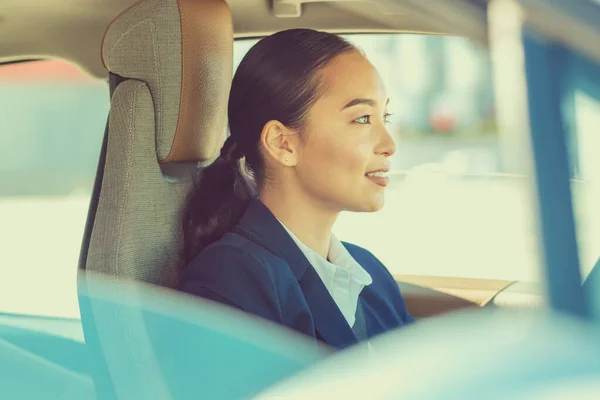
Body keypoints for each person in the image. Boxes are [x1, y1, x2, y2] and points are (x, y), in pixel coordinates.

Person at [178, 28, 414, 351]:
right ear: (283, 144)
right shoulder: (229, 284)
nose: (389, 144)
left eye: (384, 117)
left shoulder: (371, 274)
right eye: (362, 119)